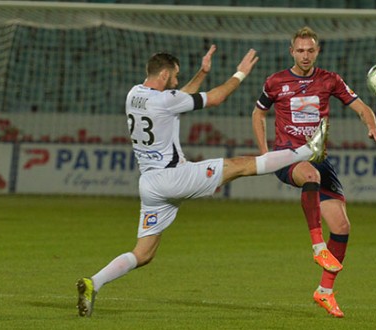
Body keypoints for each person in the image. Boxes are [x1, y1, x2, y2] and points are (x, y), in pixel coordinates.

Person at [76, 45, 329, 317]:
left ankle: (94, 282)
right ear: (163, 74)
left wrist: (202, 72)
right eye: (174, 76)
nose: (176, 81)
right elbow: (216, 98)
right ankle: (307, 151)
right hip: (173, 177)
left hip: (150, 184)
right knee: (239, 166)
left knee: (144, 253)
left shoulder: (134, 95)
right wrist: (240, 74)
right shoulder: (165, 100)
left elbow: (179, 96)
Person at [251, 27, 376, 318]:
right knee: (309, 175)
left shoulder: (330, 80)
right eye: (300, 50)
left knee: (342, 226)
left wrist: (371, 125)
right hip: (288, 157)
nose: (305, 55)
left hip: (319, 158)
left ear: (317, 51)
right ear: (292, 52)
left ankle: (324, 291)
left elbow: (362, 107)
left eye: (310, 50)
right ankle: (317, 245)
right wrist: (265, 152)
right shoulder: (275, 82)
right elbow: (258, 112)